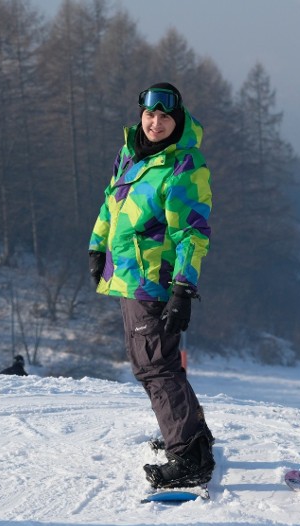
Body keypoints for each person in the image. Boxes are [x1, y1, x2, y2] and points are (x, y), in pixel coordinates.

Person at [88, 83, 214, 489]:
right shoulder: (131, 152)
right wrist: (97, 247)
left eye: (164, 117)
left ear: (177, 121)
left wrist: (182, 288)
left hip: (156, 278)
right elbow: (111, 201)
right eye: (150, 115)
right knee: (153, 362)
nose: (155, 122)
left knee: (155, 365)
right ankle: (193, 437)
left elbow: (192, 234)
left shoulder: (183, 166)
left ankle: (188, 457)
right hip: (128, 275)